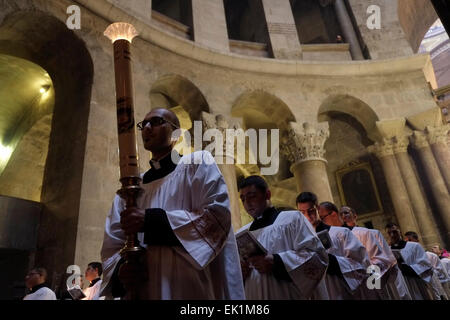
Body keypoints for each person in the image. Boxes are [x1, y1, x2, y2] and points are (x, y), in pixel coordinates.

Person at [100, 108, 244, 300]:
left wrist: (151, 220)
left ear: (176, 133)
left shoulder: (197, 164)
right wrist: (121, 269)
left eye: (157, 122)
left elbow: (216, 219)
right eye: (144, 124)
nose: (147, 128)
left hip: (188, 289)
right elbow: (112, 245)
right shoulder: (131, 189)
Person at [237, 176, 328, 300]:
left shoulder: (293, 219)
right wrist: (239, 272)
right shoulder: (242, 233)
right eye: (243, 199)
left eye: (252, 196)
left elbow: (317, 257)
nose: (247, 203)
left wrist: (277, 262)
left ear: (267, 194)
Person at [297, 196, 370, 300]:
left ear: (318, 209)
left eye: (311, 211)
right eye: (302, 212)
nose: (307, 216)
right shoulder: (299, 242)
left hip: (342, 292)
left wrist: (332, 261)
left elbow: (362, 264)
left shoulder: (341, 233)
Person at [340, 207, 411, 300]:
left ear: (355, 215)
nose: (343, 216)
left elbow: (385, 259)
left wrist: (372, 282)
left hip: (376, 276)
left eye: (346, 212)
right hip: (357, 280)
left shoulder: (373, 233)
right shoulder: (341, 236)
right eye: (341, 214)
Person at [385, 223, 435, 300]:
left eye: (394, 232)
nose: (392, 235)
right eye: (389, 233)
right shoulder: (386, 251)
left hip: (416, 285)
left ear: (400, 231)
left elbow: (426, 266)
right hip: (399, 287)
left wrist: (404, 266)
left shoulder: (414, 246)